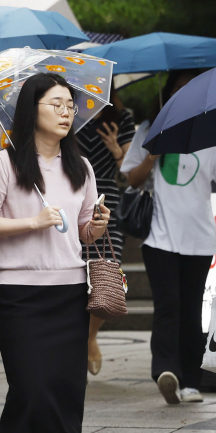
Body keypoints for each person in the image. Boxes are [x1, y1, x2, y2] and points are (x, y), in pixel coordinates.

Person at [0, 73, 108, 433]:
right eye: (56, 104)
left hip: (69, 290)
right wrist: (33, 221)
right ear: (33, 110)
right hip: (20, 292)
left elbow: (82, 231)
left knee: (65, 388)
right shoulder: (4, 165)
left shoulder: (81, 167)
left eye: (70, 105)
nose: (67, 112)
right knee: (29, 386)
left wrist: (96, 226)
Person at [120, 71, 216, 405]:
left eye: (193, 89)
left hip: (199, 238)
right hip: (159, 237)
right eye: (179, 88)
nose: (186, 94)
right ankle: (165, 371)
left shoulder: (213, 132)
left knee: (190, 310)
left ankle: (190, 382)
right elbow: (132, 179)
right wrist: (152, 154)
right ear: (169, 92)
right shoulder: (150, 129)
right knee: (168, 306)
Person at [77, 103, 135, 376]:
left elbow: (130, 173)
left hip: (106, 200)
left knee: (109, 274)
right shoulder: (70, 114)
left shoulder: (121, 117)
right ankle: (79, 338)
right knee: (78, 276)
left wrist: (115, 149)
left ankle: (90, 336)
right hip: (74, 197)